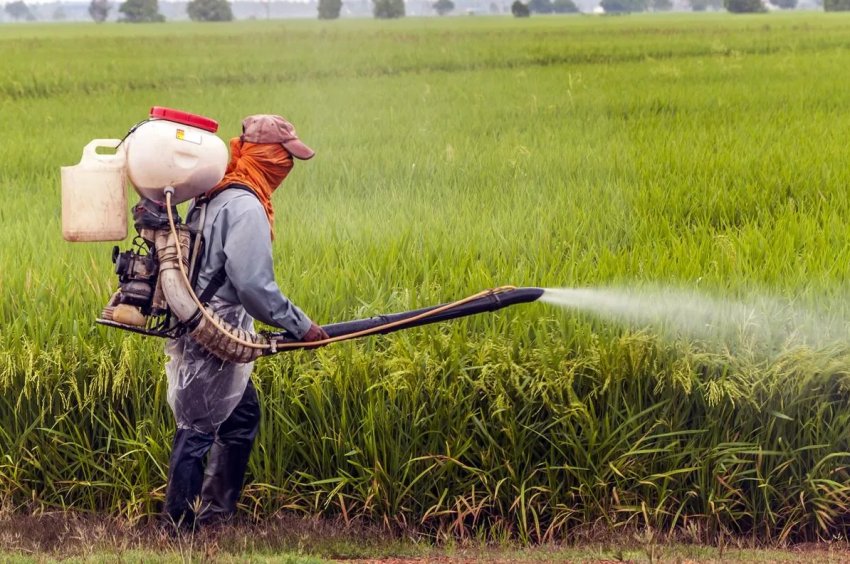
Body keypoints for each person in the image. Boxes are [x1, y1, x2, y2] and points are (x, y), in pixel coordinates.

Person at [163, 114, 329, 527]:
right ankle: (177, 529)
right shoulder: (245, 205)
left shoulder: (214, 193)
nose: (286, 167)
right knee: (197, 428)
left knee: (240, 416)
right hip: (214, 332)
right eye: (284, 157)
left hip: (203, 322)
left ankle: (215, 517)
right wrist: (301, 326)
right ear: (266, 155)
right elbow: (254, 287)